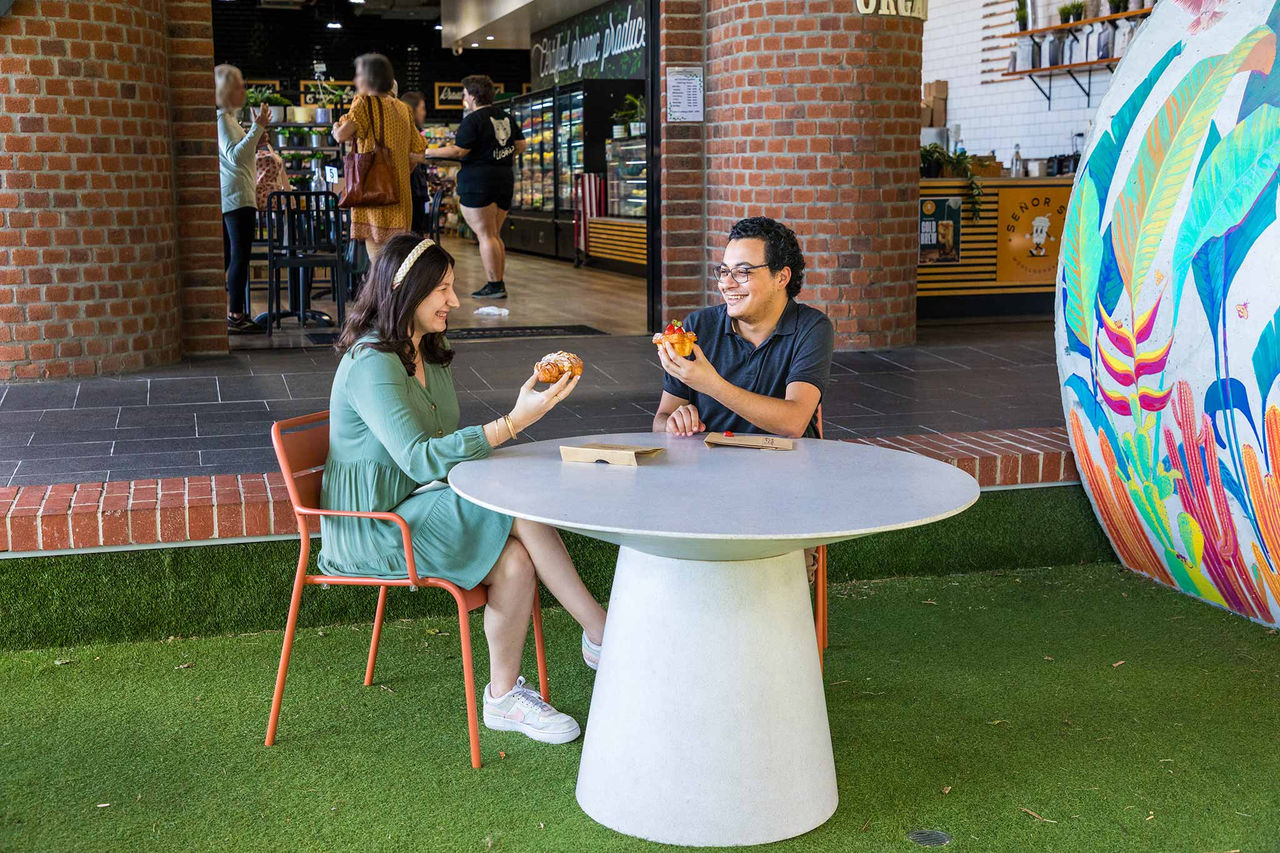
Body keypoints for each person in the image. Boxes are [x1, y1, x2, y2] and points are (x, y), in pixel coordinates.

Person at [321, 233, 607, 744]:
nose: (454, 301)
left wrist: (514, 419)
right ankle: (602, 634)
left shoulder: (427, 350)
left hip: (416, 501)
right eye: (444, 289)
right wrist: (511, 424)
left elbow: (439, 443)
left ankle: (502, 700)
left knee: (517, 561)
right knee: (517, 509)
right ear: (407, 292)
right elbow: (416, 455)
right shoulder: (371, 362)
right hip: (371, 527)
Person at [653, 217, 834, 440]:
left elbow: (794, 422)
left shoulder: (810, 328)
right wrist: (673, 423)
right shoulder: (697, 327)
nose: (726, 283)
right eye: (724, 271)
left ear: (781, 277)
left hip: (785, 468)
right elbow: (661, 419)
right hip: (712, 467)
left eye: (742, 272)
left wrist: (712, 384)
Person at [423, 74, 524, 300]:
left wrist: (429, 152)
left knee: (486, 235)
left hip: (479, 182)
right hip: (504, 179)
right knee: (494, 235)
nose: (464, 98)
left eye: (465, 94)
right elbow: (520, 145)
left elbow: (459, 151)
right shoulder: (505, 117)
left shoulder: (473, 119)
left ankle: (494, 284)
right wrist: (498, 156)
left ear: (473, 95)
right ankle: (497, 282)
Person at [332, 54, 426, 260]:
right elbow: (418, 152)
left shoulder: (364, 102)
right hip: (400, 195)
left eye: (358, 75)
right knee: (396, 260)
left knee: (378, 261)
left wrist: (335, 127)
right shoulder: (403, 109)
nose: (356, 80)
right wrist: (400, 172)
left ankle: (381, 293)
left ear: (369, 78)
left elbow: (341, 136)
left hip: (375, 193)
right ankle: (395, 292)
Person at [215, 63, 270, 334]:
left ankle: (228, 313)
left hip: (237, 196)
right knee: (239, 257)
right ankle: (236, 315)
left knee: (229, 257)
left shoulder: (229, 119)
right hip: (237, 198)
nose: (244, 91)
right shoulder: (223, 119)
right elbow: (235, 156)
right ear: (226, 90)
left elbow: (239, 154)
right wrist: (257, 128)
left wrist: (256, 137)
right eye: (239, 86)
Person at [400, 90, 432, 236]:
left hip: (413, 187)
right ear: (412, 110)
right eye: (422, 108)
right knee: (414, 233)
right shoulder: (409, 132)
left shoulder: (407, 131)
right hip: (411, 188)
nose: (424, 113)